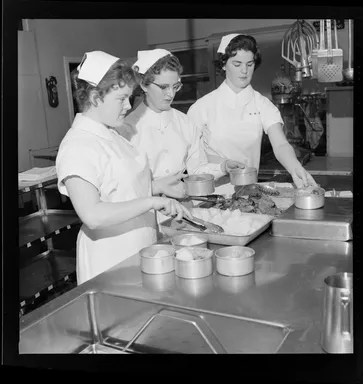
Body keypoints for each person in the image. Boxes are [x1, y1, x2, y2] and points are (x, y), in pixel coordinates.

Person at [56, 51, 191, 285]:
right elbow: (93, 215)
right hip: (109, 259)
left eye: (129, 97)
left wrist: (157, 187)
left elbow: (119, 188)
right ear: (96, 97)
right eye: (121, 98)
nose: (129, 106)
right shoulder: (78, 145)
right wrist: (151, 201)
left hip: (140, 247)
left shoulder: (111, 134)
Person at [115, 48, 245, 205]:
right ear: (144, 84)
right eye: (163, 87)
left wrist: (223, 167)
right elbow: (121, 187)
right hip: (144, 211)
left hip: (182, 208)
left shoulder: (185, 123)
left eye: (175, 86)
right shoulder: (125, 129)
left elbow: (196, 170)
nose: (170, 94)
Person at [187, 34, 317, 189]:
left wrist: (296, 169)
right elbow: (193, 159)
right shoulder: (201, 108)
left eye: (249, 64)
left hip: (248, 191)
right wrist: (222, 165)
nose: (244, 71)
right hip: (211, 191)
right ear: (223, 64)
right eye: (237, 64)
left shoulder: (262, 104)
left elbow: (281, 144)